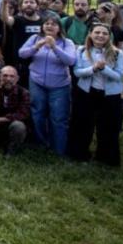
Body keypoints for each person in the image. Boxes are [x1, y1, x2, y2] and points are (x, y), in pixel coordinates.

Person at [18, 15, 77, 156]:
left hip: (59, 85)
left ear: (59, 28)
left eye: (53, 24)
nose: (50, 26)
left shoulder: (67, 42)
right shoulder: (34, 38)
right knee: (37, 113)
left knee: (58, 117)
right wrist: (37, 46)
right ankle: (41, 144)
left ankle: (59, 149)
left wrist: (54, 47)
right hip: (37, 82)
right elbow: (22, 54)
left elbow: (70, 61)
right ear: (42, 26)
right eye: (47, 24)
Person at [68, 23, 123, 166]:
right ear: (91, 34)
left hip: (110, 95)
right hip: (87, 92)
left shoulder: (118, 53)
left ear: (109, 36)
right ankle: (80, 154)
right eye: (97, 32)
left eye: (104, 33)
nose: (100, 35)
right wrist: (93, 69)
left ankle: (106, 157)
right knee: (83, 124)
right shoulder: (81, 50)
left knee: (109, 126)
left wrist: (104, 69)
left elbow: (118, 76)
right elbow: (77, 72)